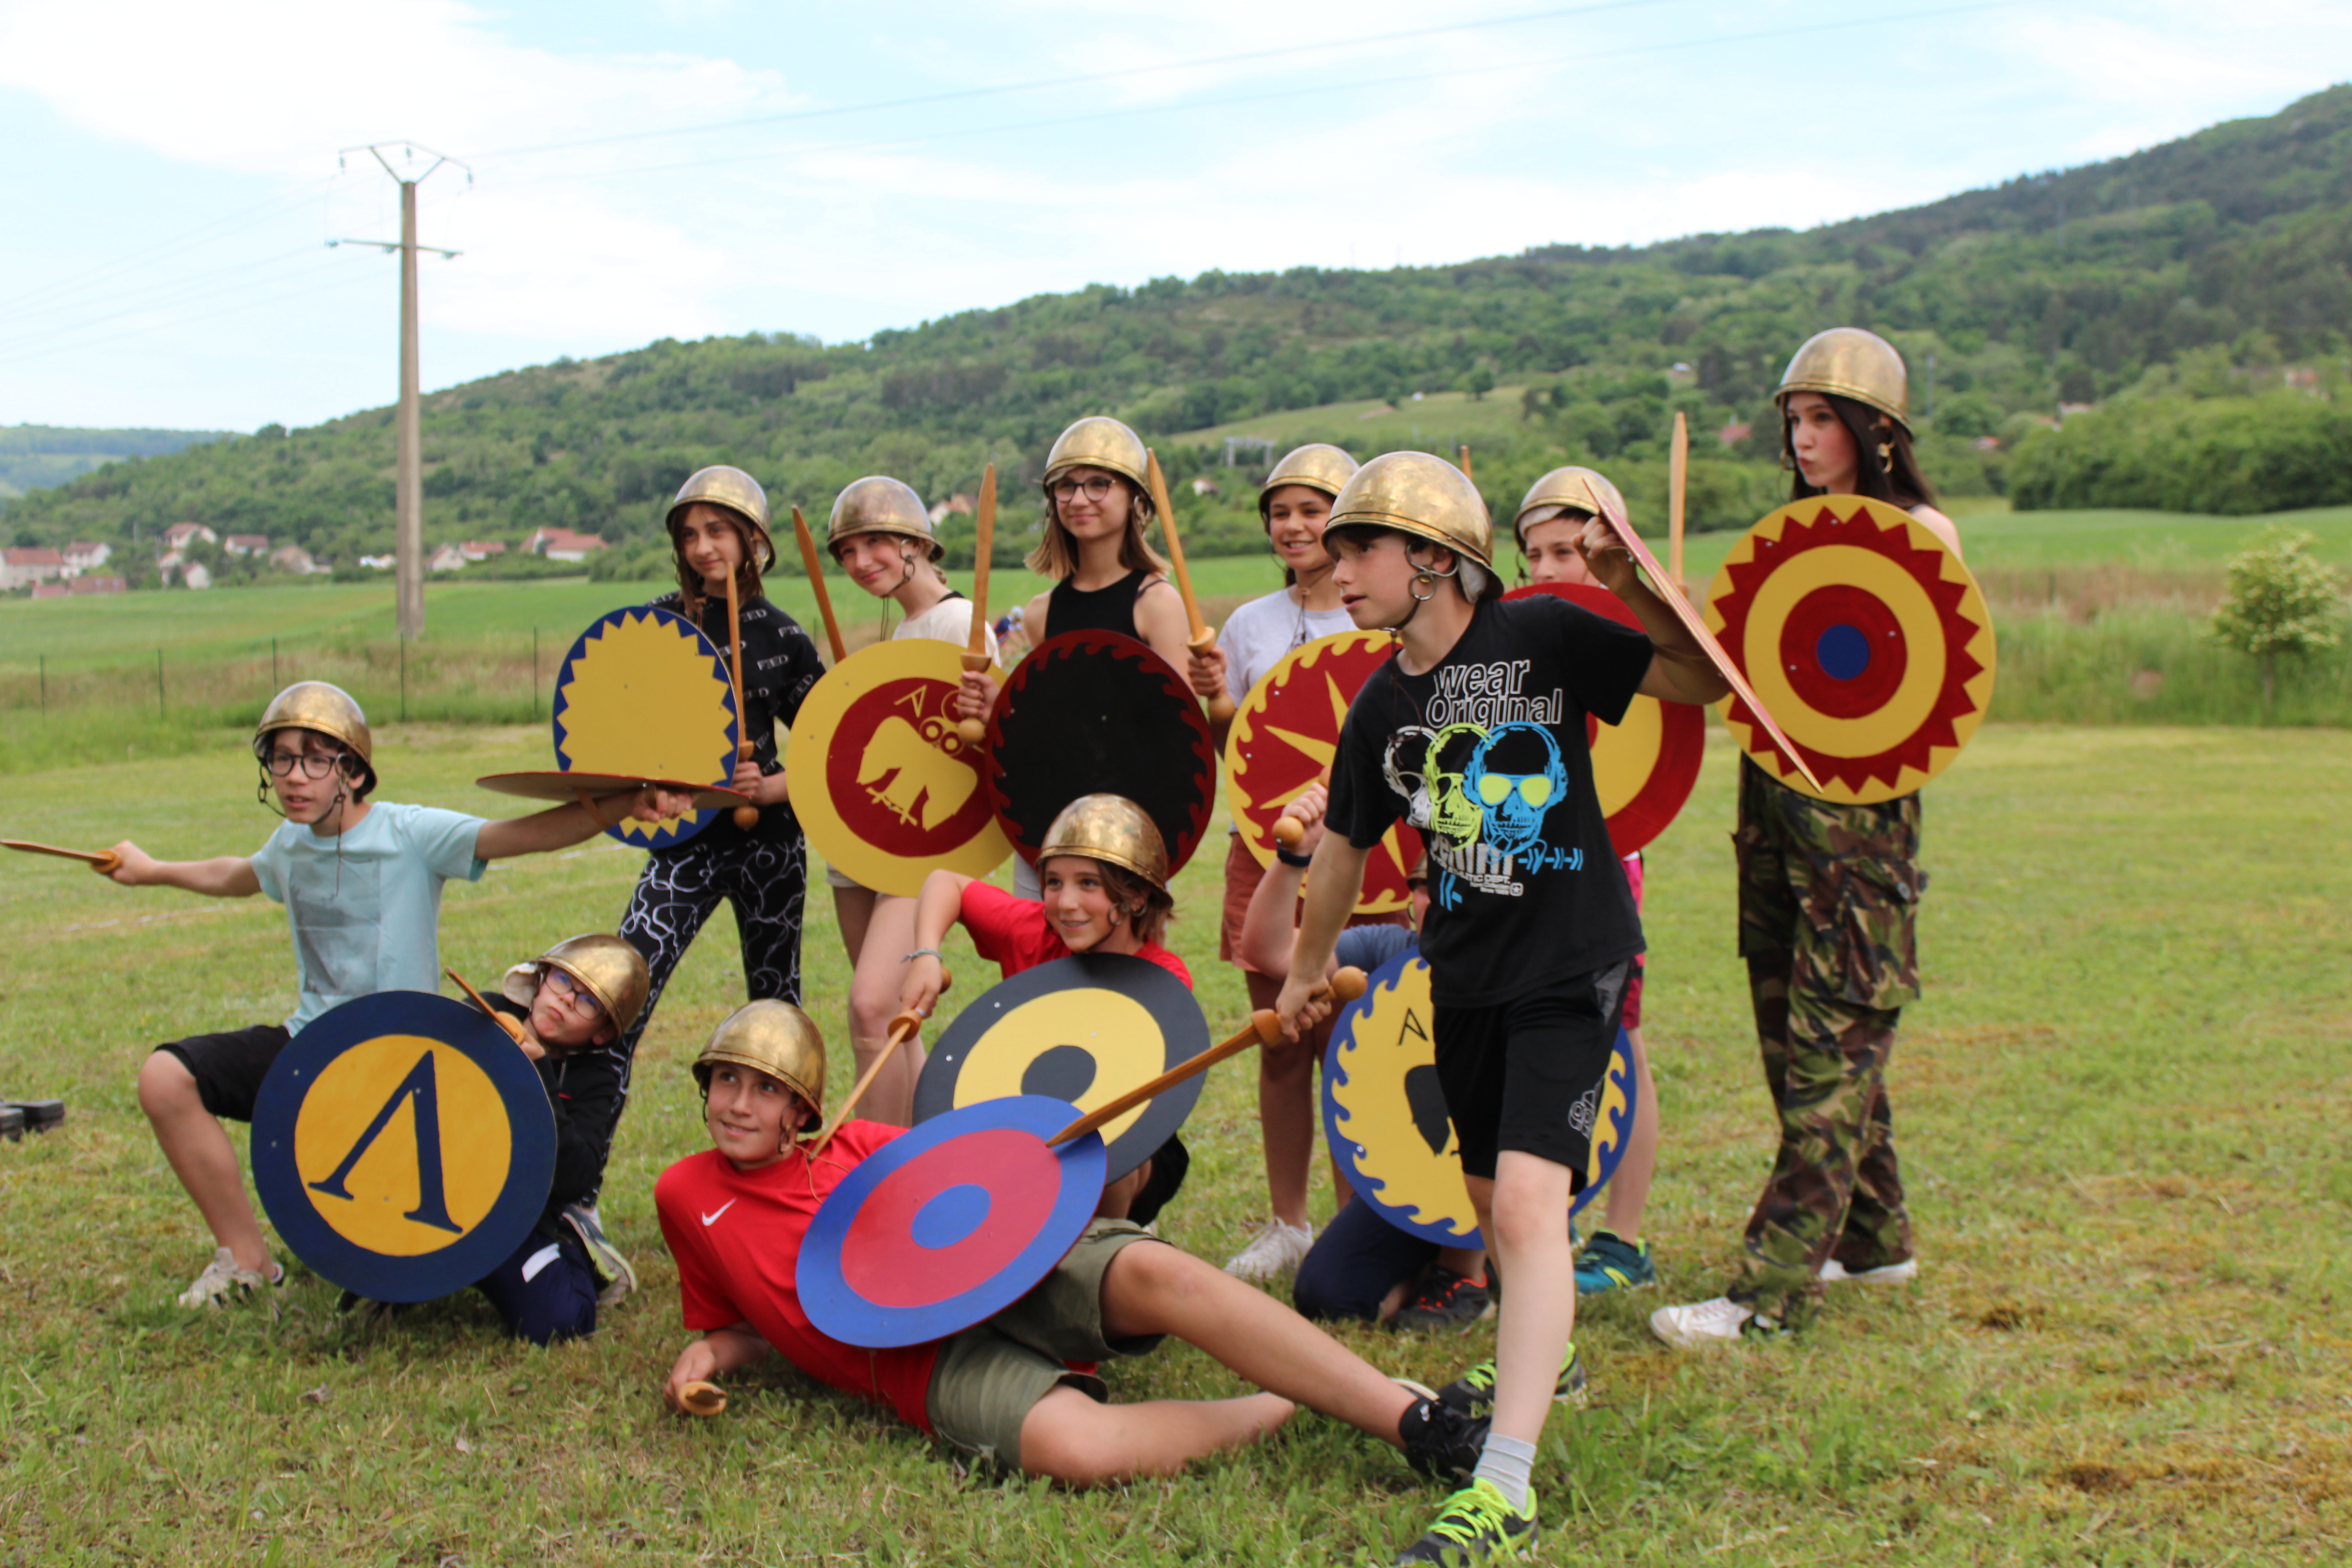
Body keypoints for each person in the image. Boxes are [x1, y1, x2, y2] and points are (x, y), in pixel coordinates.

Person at [1277, 452, 1727, 1563]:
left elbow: (1697, 677)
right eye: (1333, 549)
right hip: (1462, 980)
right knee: (1492, 1204)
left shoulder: (1541, 636)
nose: (1339, 570)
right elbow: (1339, 850)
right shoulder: (1381, 702)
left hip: (1572, 963)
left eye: (1359, 547)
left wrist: (1631, 580)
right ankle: (1549, 1346)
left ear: (1434, 557)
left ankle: (1503, 1486)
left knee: (1527, 1209)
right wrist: (1304, 966)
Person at [654, 1000, 1493, 1492]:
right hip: (914, 1365)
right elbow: (756, 1319)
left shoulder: (863, 1146)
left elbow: (973, 1193)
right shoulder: (684, 1195)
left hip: (995, 1274)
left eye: (766, 1088)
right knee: (1072, 1449)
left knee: (1151, 1267)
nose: (739, 1103)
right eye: (727, 1081)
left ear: (803, 1108)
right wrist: (711, 1356)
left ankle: (1413, 1420)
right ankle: (1286, 1401)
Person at [110, 681, 689, 1308]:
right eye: (281, 758)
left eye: (315, 758)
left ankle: (564, 1244)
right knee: (166, 1079)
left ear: (353, 771)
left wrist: (626, 802)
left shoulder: (411, 833)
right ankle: (248, 1263)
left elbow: (525, 834)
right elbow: (235, 875)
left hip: (404, 1066)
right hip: (315, 1046)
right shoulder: (289, 844)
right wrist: (150, 870)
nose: (294, 776)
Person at [1650, 328, 1955, 1350]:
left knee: (1830, 1060)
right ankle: (1874, 1239)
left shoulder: (1923, 533)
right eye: (1795, 419)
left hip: (1857, 849)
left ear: (1877, 432)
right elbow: (1732, 686)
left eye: (1823, 418)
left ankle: (1771, 1291)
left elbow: (1921, 694)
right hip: (1775, 832)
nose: (1805, 436)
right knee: (1800, 1053)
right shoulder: (1786, 534)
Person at [1179, 443, 1378, 1283]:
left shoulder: (1386, 609)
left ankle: (1355, 1228)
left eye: (1313, 508)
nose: (1294, 526)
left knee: (1352, 1043)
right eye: (1281, 511)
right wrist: (1217, 697)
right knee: (1280, 1040)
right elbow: (1243, 750)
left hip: (1375, 862)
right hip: (1269, 857)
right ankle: (1290, 1223)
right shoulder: (1251, 623)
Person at [1237, 791, 1497, 1331]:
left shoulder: (1517, 968)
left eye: (1459, 885)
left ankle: (1468, 1271)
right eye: (1426, 888)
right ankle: (1432, 1268)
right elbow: (1271, 954)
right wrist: (1294, 861)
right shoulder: (1389, 951)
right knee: (1329, 1296)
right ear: (1410, 903)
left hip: (1497, 1180)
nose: (1439, 901)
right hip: (1413, 1174)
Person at [615, 466, 827, 1079]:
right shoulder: (657, 626)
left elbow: (827, 748)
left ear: (751, 539)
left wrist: (771, 787)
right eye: (689, 535)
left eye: (716, 531)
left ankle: (783, 1150)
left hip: (770, 844)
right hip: (683, 842)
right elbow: (624, 729)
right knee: (626, 989)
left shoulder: (785, 634)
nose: (702, 547)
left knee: (775, 1005)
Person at [1513, 466, 1663, 1297]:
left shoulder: (1627, 634)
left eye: (1566, 550)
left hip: (1607, 866)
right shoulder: (1517, 634)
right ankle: (1546, 1224)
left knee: (1618, 1044)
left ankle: (1624, 1240)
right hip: (1528, 865)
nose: (1545, 569)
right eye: (1534, 552)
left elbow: (1655, 738)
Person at [820, 475, 998, 1126]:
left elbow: (980, 746)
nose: (860, 563)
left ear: (914, 542)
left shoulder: (958, 623)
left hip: (925, 844)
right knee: (897, 1018)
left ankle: (881, 1168)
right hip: (881, 838)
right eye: (846, 551)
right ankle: (929, 1149)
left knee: (872, 1008)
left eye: (874, 543)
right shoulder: (905, 631)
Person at [956, 416, 1193, 901]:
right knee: (1039, 970)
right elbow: (1051, 727)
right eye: (1066, 486)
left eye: (1098, 484)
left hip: (1130, 829)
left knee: (1124, 974)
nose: (1079, 498)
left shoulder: (1157, 603)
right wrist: (1002, 706)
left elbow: (1177, 735)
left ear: (1136, 500)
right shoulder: (1042, 613)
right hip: (1047, 821)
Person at [444, 934, 653, 1343]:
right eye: (561, 981)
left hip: (512, 1218)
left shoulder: (596, 1079)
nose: (564, 1000)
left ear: (601, 1033)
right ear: (540, 979)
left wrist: (538, 1074)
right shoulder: (480, 1015)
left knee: (562, 1318)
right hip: (441, 1189)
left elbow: (576, 1175)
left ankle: (576, 1251)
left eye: (587, 1002)